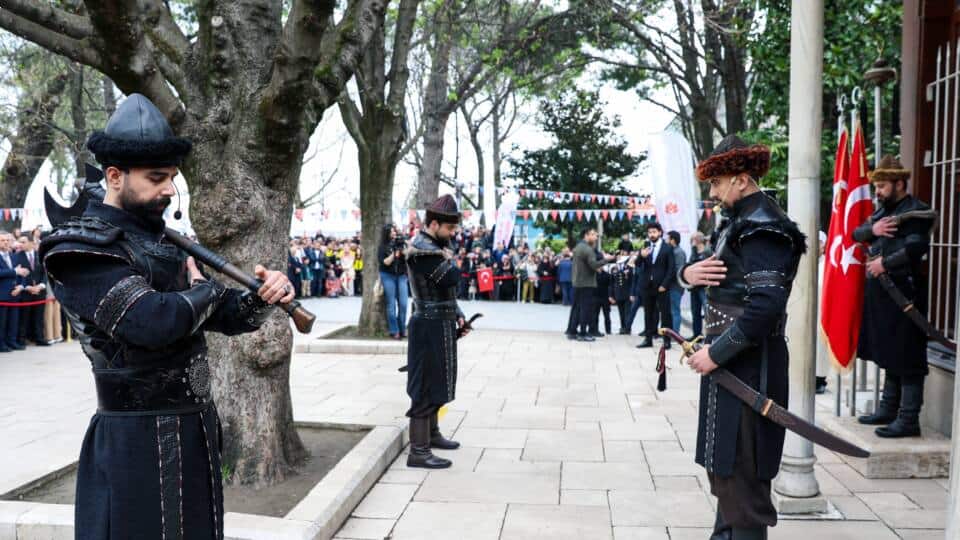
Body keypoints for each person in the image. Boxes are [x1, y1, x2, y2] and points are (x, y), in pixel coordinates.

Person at [38, 93, 295, 540]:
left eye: (172, 178)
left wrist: (263, 296)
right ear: (114, 176)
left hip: (194, 427)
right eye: (156, 178)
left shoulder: (161, 241)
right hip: (135, 439)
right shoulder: (79, 249)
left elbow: (223, 314)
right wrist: (206, 291)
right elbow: (152, 322)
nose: (169, 190)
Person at [679, 135, 805, 539]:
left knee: (745, 489)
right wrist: (687, 274)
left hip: (751, 369)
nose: (713, 193)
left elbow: (764, 309)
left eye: (717, 183)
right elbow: (724, 279)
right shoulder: (740, 222)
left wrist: (715, 354)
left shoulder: (764, 227)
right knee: (728, 476)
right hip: (736, 367)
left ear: (741, 179)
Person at [854, 155, 934, 438]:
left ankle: (909, 419)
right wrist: (873, 230)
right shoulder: (881, 213)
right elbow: (856, 233)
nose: (877, 191)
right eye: (876, 186)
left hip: (905, 294)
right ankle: (889, 408)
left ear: (899, 184)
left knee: (908, 356)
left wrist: (884, 264)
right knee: (890, 352)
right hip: (883, 296)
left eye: (882, 186)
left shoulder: (916, 212)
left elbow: (915, 248)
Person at [404, 195, 468, 469]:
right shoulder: (423, 250)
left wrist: (457, 313)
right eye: (449, 228)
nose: (453, 233)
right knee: (426, 385)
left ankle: (431, 434)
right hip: (428, 324)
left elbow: (446, 289)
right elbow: (451, 278)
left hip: (438, 321)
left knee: (438, 380)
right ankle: (418, 451)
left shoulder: (435, 247)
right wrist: (454, 261)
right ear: (433, 224)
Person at [569, 228, 615, 342]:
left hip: (577, 282)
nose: (596, 237)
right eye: (593, 235)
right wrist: (606, 259)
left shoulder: (578, 247)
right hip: (587, 283)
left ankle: (572, 332)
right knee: (585, 309)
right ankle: (583, 333)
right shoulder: (588, 249)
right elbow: (594, 265)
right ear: (586, 235)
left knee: (577, 308)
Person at [636, 222, 674, 349]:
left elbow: (671, 269)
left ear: (660, 232)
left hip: (661, 286)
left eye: (654, 232)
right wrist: (641, 256)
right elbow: (637, 264)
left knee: (665, 314)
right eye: (649, 232)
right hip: (647, 285)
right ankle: (648, 339)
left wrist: (665, 284)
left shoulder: (667, 248)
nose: (651, 235)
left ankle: (667, 340)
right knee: (648, 313)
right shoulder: (646, 246)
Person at [15, 235, 47, 346]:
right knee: (24, 317)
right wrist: (28, 287)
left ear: (30, 242)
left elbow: (45, 273)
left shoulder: (40, 255)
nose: (20, 244)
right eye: (20, 242)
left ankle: (39, 338)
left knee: (39, 316)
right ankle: (22, 340)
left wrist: (40, 286)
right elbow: (18, 275)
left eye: (23, 242)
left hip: (40, 291)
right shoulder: (17, 256)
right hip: (25, 291)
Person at [379, 224, 409, 340]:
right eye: (392, 231)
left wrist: (404, 249)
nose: (394, 233)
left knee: (403, 304)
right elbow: (385, 262)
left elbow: (409, 257)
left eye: (394, 231)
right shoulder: (382, 246)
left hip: (401, 276)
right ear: (387, 233)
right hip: (387, 275)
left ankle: (402, 328)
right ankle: (394, 330)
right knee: (391, 304)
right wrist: (394, 254)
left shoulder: (401, 243)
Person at [0, 233, 29, 351]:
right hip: (2, 296)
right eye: (3, 240)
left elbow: (22, 273)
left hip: (15, 293)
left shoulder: (14, 256)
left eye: (7, 240)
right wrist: (14, 271)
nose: (6, 242)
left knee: (14, 321)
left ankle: (12, 341)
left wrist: (21, 286)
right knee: (2, 322)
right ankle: (1, 344)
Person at [687, 232, 712, 339]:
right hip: (694, 287)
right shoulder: (694, 252)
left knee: (707, 312)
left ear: (696, 240)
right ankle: (697, 334)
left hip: (704, 287)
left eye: (692, 240)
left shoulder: (707, 252)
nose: (691, 242)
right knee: (695, 311)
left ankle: (710, 335)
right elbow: (691, 264)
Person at [666, 230, 686, 334]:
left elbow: (679, 271)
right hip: (671, 286)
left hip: (676, 286)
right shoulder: (672, 251)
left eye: (667, 238)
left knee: (675, 311)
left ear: (672, 240)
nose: (666, 240)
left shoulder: (679, 252)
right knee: (670, 310)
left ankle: (675, 334)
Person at [609, 251, 634, 334]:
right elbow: (611, 283)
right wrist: (611, 295)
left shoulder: (629, 267)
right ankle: (622, 327)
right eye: (618, 255)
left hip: (627, 293)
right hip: (618, 293)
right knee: (621, 312)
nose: (619, 257)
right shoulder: (614, 268)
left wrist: (632, 293)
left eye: (622, 255)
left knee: (627, 312)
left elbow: (632, 282)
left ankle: (627, 328)